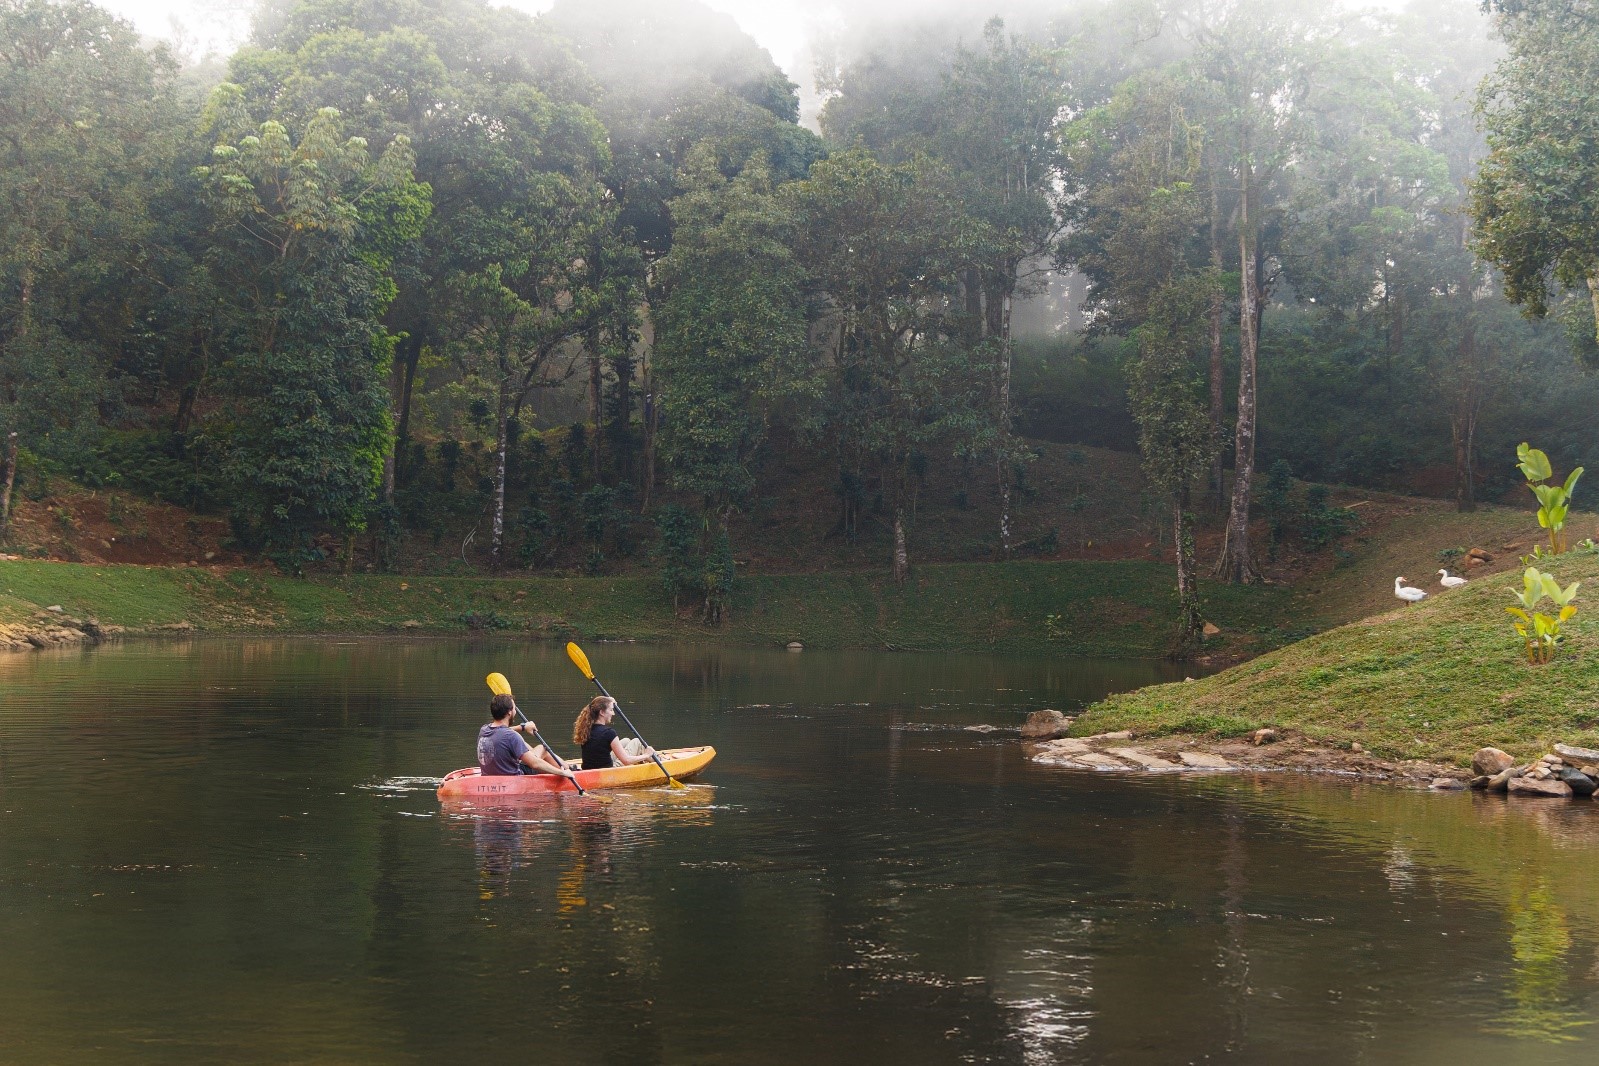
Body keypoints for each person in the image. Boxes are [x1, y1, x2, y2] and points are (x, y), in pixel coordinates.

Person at [478, 693, 578, 780]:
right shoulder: (512, 736)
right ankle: (569, 770)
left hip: (491, 777)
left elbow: (500, 732)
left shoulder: (484, 730)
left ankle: (567, 767)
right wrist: (561, 773)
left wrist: (522, 727)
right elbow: (535, 764)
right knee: (543, 749)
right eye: (514, 708)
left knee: (538, 748)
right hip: (515, 779)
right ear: (509, 712)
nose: (515, 712)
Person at [573, 695, 656, 771]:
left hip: (589, 769)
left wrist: (609, 701)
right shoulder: (609, 733)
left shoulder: (586, 729)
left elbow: (599, 703)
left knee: (626, 741)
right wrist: (647, 755)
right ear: (602, 712)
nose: (613, 713)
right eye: (611, 710)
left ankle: (650, 760)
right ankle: (660, 761)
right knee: (637, 742)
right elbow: (626, 760)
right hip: (608, 771)